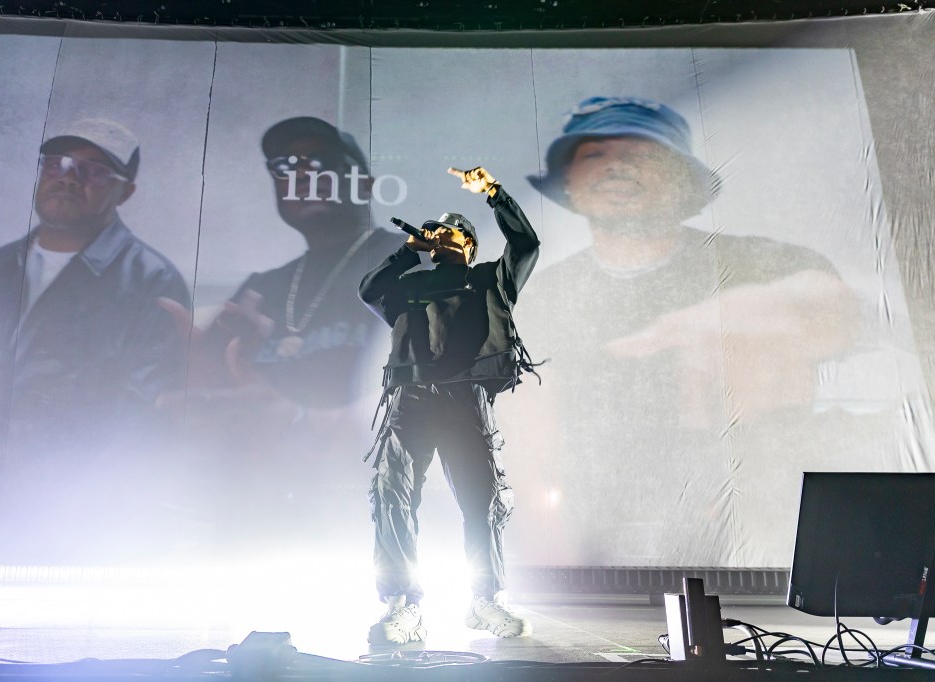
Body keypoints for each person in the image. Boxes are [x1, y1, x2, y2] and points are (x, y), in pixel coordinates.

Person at [509, 96, 864, 566]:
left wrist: (736, 315)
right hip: (599, 546)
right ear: (569, 182)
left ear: (680, 178)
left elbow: (839, 309)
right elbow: (525, 437)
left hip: (763, 539)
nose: (616, 166)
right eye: (595, 153)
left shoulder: (759, 263)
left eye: (639, 153)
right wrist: (549, 542)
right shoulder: (539, 298)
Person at [0, 118, 191, 563]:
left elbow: (146, 417)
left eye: (93, 170)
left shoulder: (151, 281)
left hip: (68, 524)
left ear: (126, 192)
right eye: (57, 163)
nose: (68, 176)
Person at [158, 117, 404, 548]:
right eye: (286, 167)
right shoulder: (260, 290)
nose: (302, 174)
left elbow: (437, 385)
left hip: (367, 514)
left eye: (321, 162)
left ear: (364, 185)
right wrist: (197, 370)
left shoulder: (410, 261)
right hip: (256, 521)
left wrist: (298, 414)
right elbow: (212, 398)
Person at [359, 166, 539, 645]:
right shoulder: (411, 285)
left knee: (482, 501)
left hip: (466, 400)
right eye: (434, 228)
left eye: (450, 229)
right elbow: (369, 291)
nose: (438, 232)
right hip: (411, 400)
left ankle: (485, 600)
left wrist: (493, 193)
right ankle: (404, 604)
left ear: (469, 243)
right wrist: (407, 251)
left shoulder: (490, 280)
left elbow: (526, 245)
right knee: (391, 493)